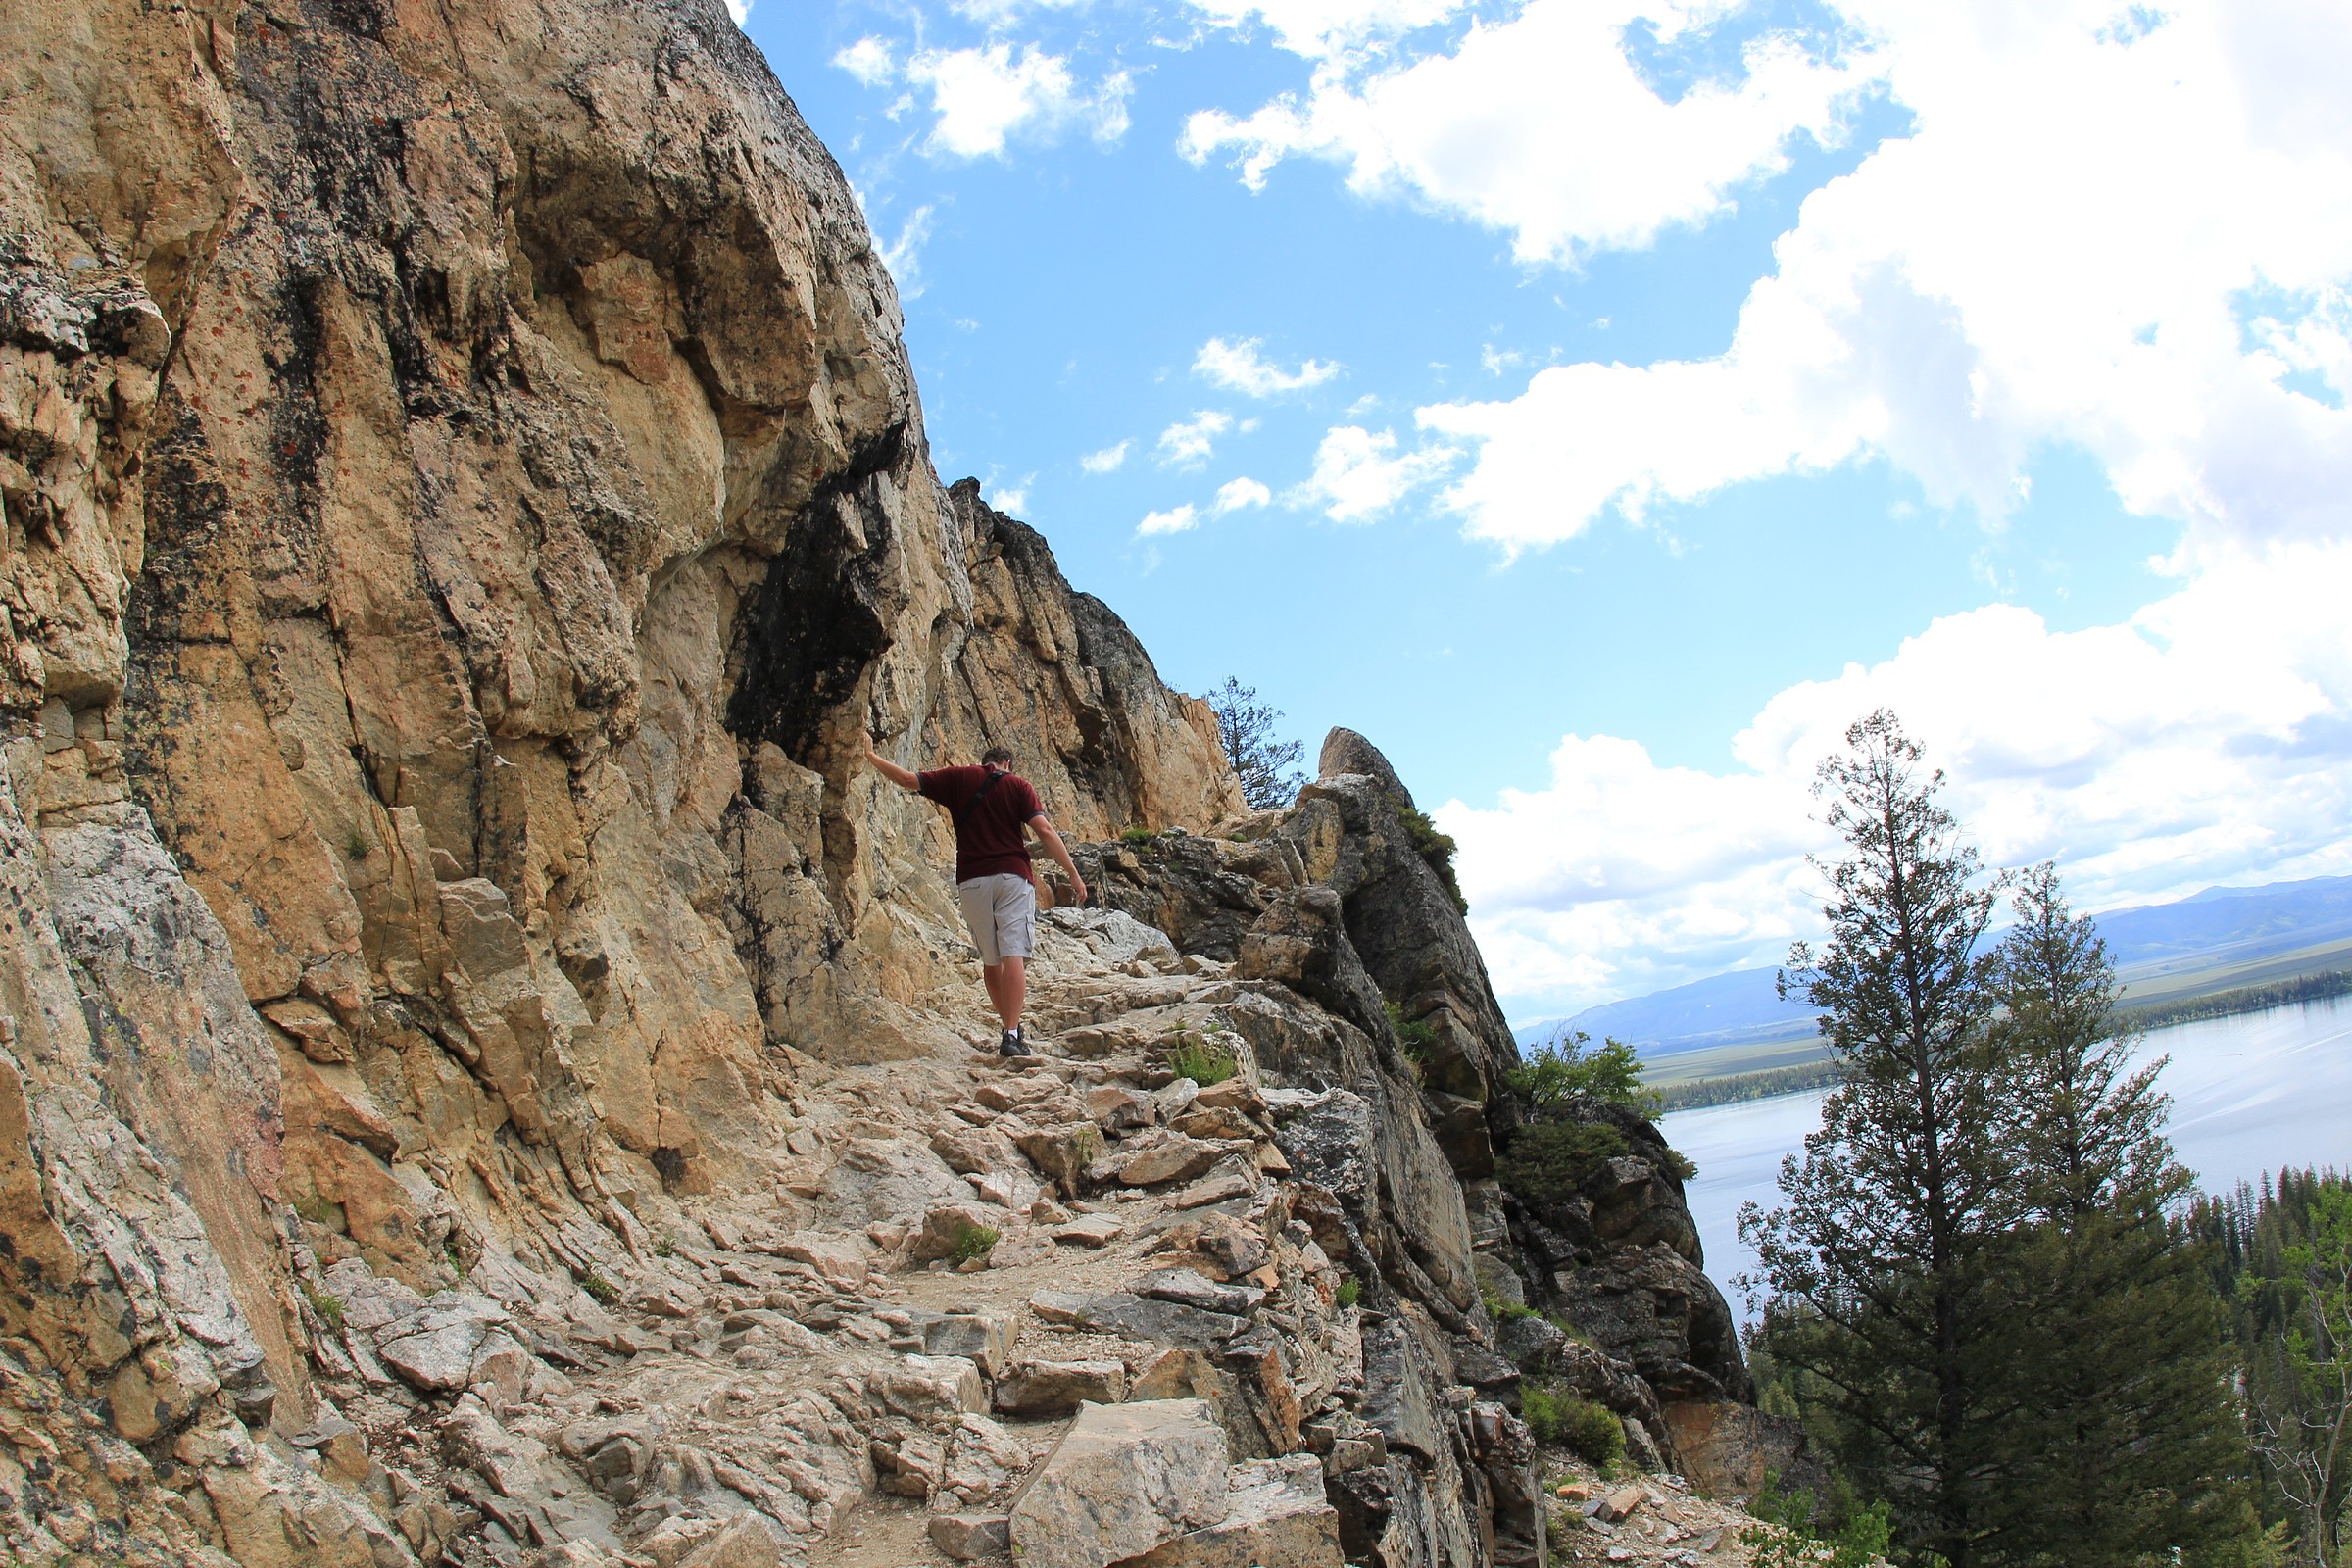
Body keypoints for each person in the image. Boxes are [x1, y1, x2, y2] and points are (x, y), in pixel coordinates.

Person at [865, 739, 1089, 1056]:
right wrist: (1073, 874)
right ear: (1007, 763)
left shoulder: (959, 777)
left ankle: (1008, 1028)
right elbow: (1045, 831)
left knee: (991, 961)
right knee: (1014, 955)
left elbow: (906, 779)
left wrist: (870, 755)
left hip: (972, 882)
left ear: (984, 761)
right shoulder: (1019, 786)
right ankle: (1011, 1034)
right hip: (1013, 876)